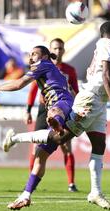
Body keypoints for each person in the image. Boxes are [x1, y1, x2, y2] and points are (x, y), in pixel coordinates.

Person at [2, 21, 110, 210]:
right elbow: (106, 76)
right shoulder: (108, 44)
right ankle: (16, 138)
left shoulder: (108, 48)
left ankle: (94, 192)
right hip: (90, 101)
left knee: (98, 145)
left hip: (99, 103)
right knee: (59, 138)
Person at [0, 45, 74, 210]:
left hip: (61, 105)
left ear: (45, 57)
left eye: (35, 54)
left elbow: (19, 84)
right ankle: (26, 196)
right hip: (68, 106)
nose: (31, 57)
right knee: (40, 156)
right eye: (30, 54)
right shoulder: (50, 69)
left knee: (55, 112)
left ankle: (55, 123)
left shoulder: (43, 65)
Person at [26, 38, 79, 192]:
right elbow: (33, 89)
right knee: (35, 144)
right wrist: (28, 109)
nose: (58, 51)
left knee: (65, 145)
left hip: (62, 107)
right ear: (49, 52)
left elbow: (75, 90)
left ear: (63, 50)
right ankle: (32, 181)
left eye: (60, 48)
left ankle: (71, 183)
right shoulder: (41, 67)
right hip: (44, 109)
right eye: (55, 48)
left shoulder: (69, 70)